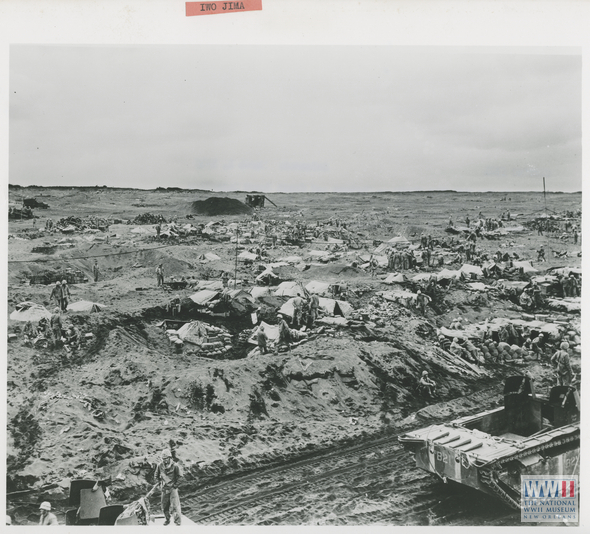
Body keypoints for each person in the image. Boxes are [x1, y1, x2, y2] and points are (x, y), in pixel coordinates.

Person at [154, 448, 182, 526]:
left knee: (175, 506)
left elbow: (180, 477)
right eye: (163, 459)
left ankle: (177, 522)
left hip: (172, 489)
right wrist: (159, 484)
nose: (164, 460)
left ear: (169, 457)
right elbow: (156, 476)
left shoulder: (175, 466)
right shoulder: (160, 465)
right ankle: (167, 519)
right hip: (164, 489)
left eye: (166, 458)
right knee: (164, 506)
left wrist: (175, 486)